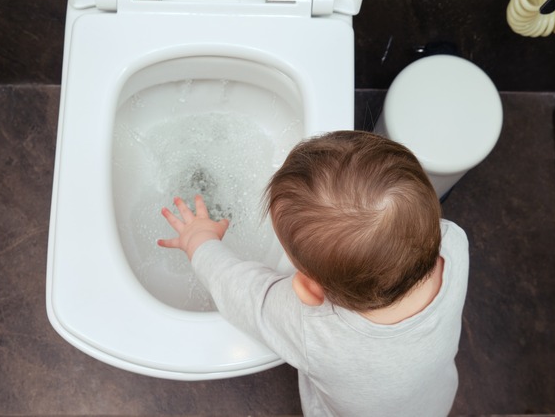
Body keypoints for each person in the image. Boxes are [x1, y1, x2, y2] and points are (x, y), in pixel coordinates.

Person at [158, 130, 469, 416]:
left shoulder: (316, 330)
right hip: (432, 402)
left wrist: (199, 241)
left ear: (309, 290)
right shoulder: (453, 242)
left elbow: (241, 291)